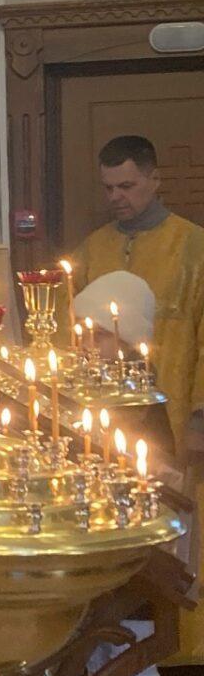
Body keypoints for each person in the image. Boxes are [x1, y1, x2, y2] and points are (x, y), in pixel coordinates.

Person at [71, 270, 184, 676]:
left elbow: (161, 478)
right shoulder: (90, 400)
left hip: (138, 560)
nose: (87, 344)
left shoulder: (141, 400)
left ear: (130, 338)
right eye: (81, 333)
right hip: (100, 556)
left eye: (100, 333)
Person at [73, 137, 204, 470]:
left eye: (126, 186)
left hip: (175, 409)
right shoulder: (93, 247)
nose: (115, 197)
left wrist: (200, 417)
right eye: (108, 188)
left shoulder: (193, 246)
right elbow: (71, 331)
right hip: (105, 413)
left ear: (154, 179)